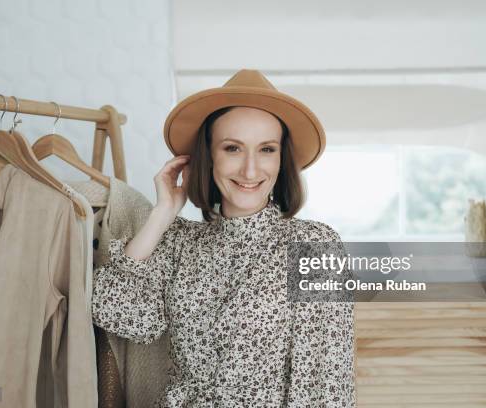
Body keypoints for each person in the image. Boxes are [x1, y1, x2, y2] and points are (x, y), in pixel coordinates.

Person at [92, 69, 356, 407]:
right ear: (209, 156)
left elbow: (326, 381)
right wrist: (162, 213)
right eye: (232, 148)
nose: (249, 170)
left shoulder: (314, 245)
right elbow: (118, 314)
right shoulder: (178, 243)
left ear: (281, 160)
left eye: (266, 149)